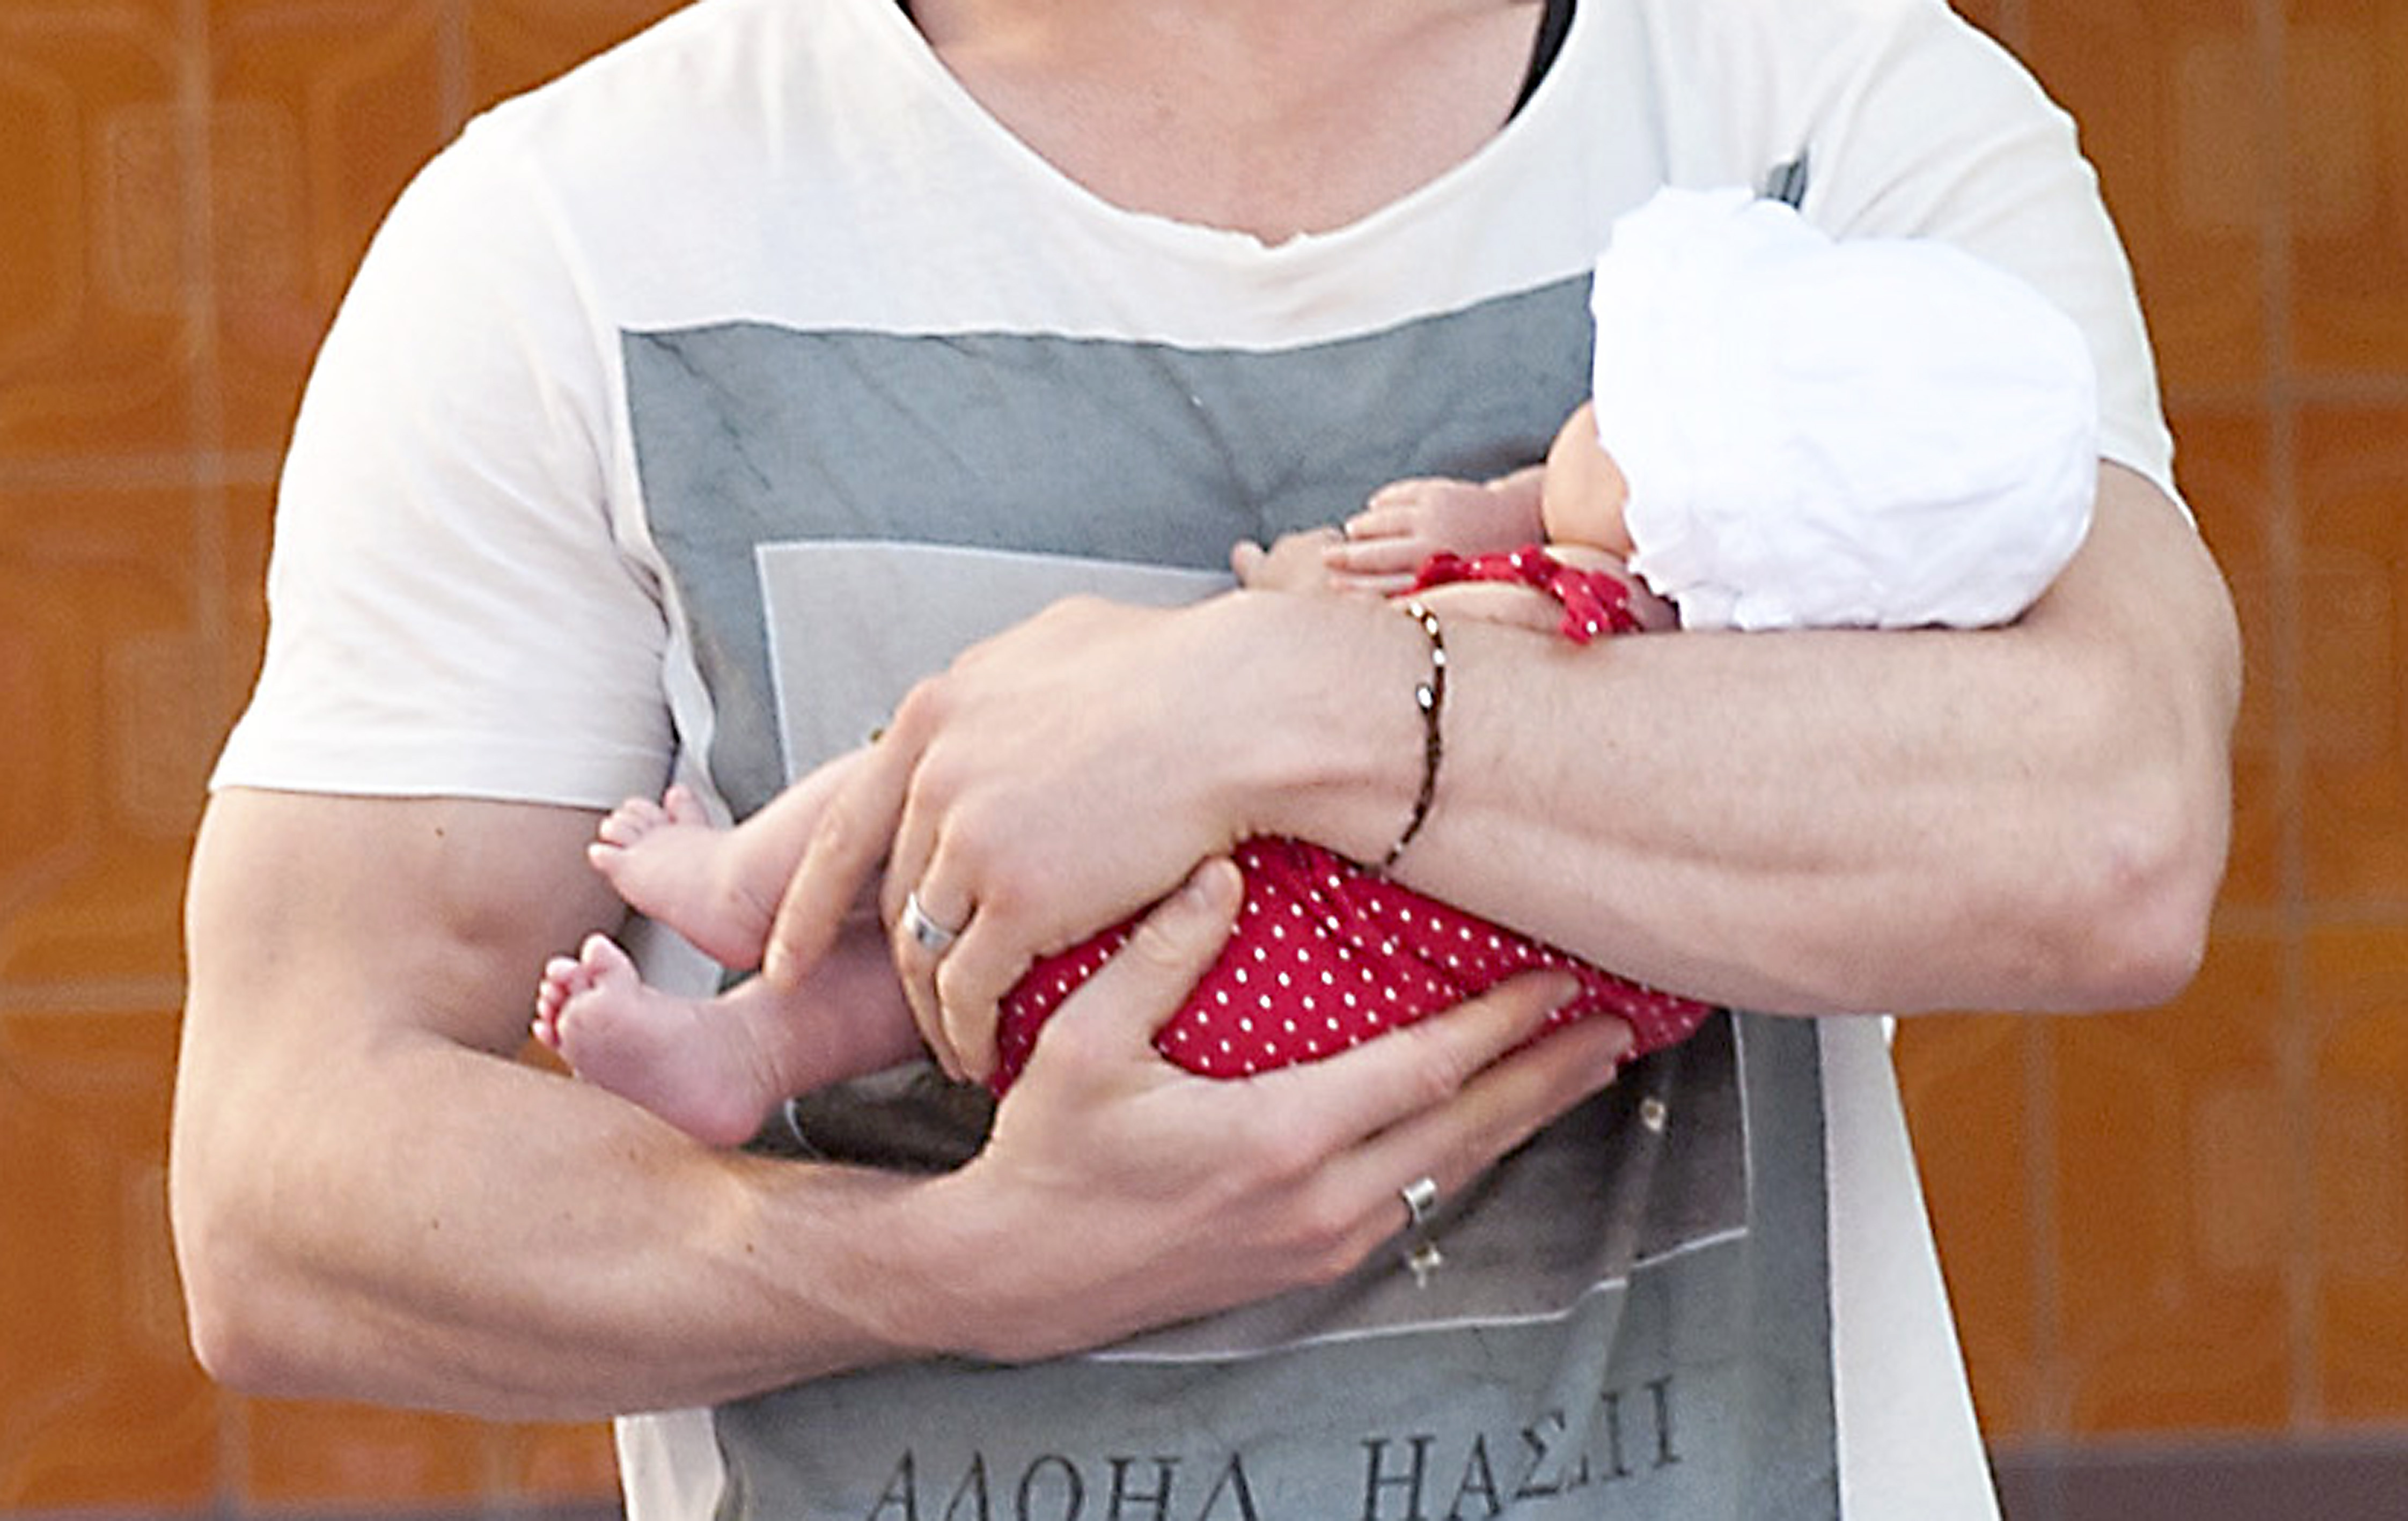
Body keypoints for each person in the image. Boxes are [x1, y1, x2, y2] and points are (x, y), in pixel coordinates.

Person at [168, 1, 2241, 1518]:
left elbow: (2112, 821)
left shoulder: (1838, 118)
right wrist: (952, 1269)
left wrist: (1286, 703)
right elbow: (282, 1187)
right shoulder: (570, 242)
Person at [530, 182, 2100, 1149]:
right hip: (1292, 1024)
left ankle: (750, 886)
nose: (1585, 414)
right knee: (939, 976)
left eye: (1627, 424)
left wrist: (1295, 595)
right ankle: (741, 1050)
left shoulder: (1568, 632)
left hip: (1235, 925)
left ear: (1691, 547)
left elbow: (1341, 657)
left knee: (956, 755)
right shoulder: (1726, 726)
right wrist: (1503, 512)